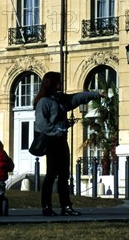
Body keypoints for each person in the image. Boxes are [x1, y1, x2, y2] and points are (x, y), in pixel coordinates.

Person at [33, 71, 104, 217]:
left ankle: (66, 206)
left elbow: (77, 98)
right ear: (52, 83)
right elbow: (41, 124)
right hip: (52, 141)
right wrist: (57, 130)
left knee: (64, 174)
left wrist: (95, 94)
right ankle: (46, 206)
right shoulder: (44, 102)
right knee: (51, 174)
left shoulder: (59, 99)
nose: (61, 83)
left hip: (61, 141)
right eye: (59, 81)